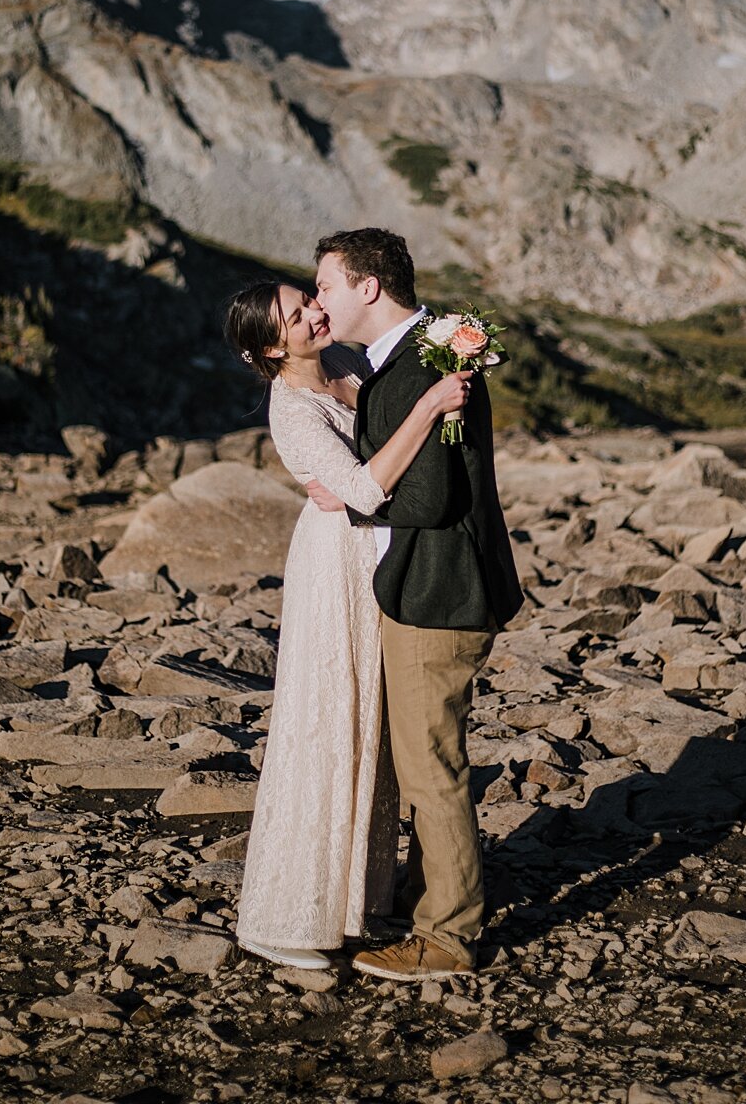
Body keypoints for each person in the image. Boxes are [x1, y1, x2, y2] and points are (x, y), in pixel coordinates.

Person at [225, 278, 472, 971]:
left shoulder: (348, 368)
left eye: (309, 298)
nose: (315, 312)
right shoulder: (292, 409)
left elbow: (370, 472)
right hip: (334, 566)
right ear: (272, 346)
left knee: (371, 725)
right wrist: (429, 406)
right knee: (329, 722)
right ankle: (290, 916)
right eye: (296, 315)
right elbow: (362, 489)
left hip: (373, 554)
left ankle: (354, 900)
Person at [310, 229, 523, 982]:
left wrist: (350, 500)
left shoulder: (416, 370)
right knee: (429, 756)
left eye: (328, 286)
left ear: (369, 287)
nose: (319, 301)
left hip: (438, 591)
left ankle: (447, 937)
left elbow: (429, 498)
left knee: (432, 767)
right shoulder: (424, 355)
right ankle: (426, 893)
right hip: (451, 582)